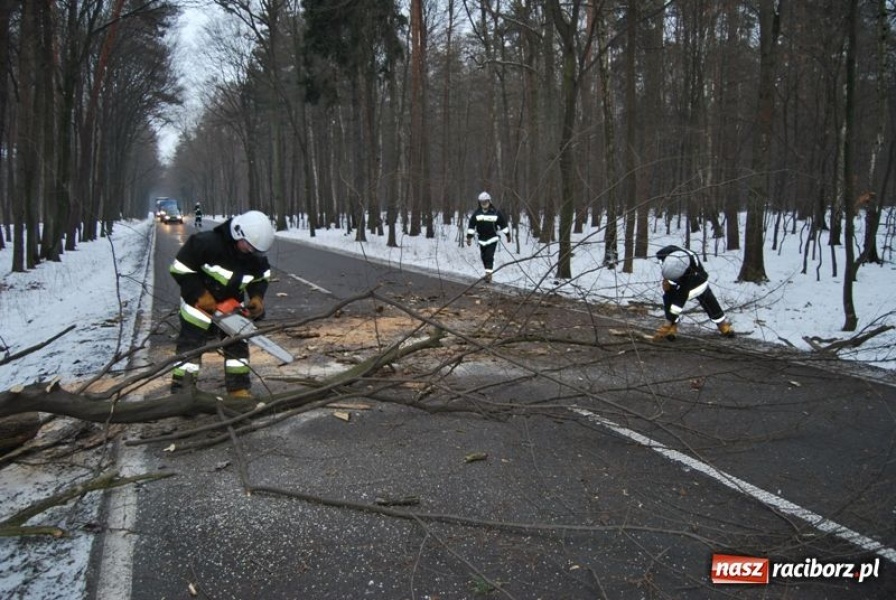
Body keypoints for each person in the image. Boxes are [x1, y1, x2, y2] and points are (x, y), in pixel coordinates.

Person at [169, 210, 275, 397]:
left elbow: (261, 278)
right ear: (238, 233)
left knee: (237, 345)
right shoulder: (206, 243)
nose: (252, 252)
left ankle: (238, 388)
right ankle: (183, 392)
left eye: (256, 250)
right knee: (190, 349)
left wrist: (257, 297)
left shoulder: (255, 258)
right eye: (249, 247)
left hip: (231, 306)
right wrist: (199, 294)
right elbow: (179, 268)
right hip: (198, 307)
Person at [653, 245, 734, 340]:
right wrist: (667, 281)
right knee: (668, 297)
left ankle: (723, 326)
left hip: (698, 283)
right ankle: (672, 327)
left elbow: (678, 304)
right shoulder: (666, 255)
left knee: (709, 303)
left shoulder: (690, 276)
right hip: (678, 281)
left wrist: (667, 324)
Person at [466, 191, 510, 282]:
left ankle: (488, 275)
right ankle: (487, 271)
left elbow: (503, 225)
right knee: (484, 257)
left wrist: (508, 235)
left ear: (489, 201)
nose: (484, 204)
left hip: (492, 239)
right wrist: (469, 237)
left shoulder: (495, 212)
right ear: (479, 202)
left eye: (485, 201)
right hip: (481, 239)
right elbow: (471, 226)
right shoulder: (477, 213)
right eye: (482, 202)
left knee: (489, 256)